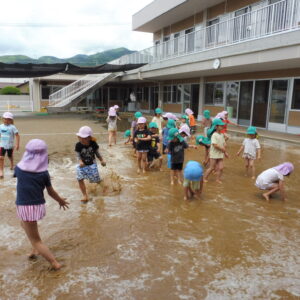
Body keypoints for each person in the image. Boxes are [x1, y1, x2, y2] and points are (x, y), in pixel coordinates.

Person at [14, 139, 69, 270]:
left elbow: (18, 174)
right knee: (24, 224)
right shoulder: (44, 173)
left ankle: (54, 262)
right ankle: (34, 250)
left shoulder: (19, 169)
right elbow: (50, 192)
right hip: (37, 206)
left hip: (25, 206)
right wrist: (60, 200)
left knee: (36, 240)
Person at [75, 126, 106, 203]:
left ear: (89, 138)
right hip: (82, 165)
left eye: (84, 138)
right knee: (80, 179)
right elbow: (78, 155)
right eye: (80, 137)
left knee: (95, 180)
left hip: (92, 165)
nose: (82, 139)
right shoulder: (78, 145)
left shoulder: (93, 144)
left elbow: (97, 153)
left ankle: (103, 186)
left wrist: (102, 160)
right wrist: (80, 161)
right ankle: (85, 195)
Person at [203, 119, 229, 183]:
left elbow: (223, 143)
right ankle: (204, 178)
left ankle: (217, 179)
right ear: (216, 127)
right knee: (211, 167)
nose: (222, 127)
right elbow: (215, 145)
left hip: (220, 154)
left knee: (221, 168)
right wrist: (222, 149)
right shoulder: (214, 135)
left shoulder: (221, 135)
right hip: (214, 154)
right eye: (221, 126)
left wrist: (225, 152)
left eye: (222, 125)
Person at [0, 112, 20, 179]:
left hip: (10, 146)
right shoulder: (1, 126)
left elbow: (17, 135)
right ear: (3, 119)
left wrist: (17, 144)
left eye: (8, 119)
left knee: (9, 156)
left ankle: (12, 164)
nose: (6, 120)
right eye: (5, 119)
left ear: (11, 120)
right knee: (1, 157)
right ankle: (1, 171)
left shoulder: (12, 127)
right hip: (2, 145)